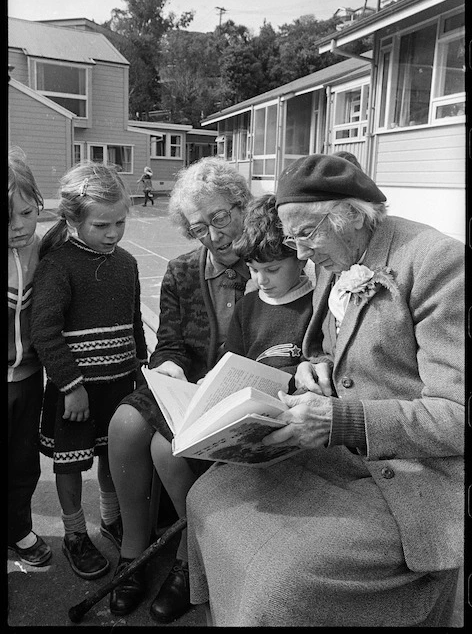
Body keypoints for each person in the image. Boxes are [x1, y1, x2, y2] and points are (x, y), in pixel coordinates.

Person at [185, 153, 464, 627]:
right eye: (291, 236)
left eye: (306, 234)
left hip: (414, 474)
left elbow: (458, 415)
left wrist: (341, 419)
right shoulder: (338, 256)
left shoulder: (440, 264)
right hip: (342, 455)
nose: (299, 252)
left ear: (352, 214)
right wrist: (318, 365)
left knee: (280, 577)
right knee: (209, 494)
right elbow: (341, 349)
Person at [107, 156, 252, 621]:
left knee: (165, 447)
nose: (212, 235)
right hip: (188, 382)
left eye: (220, 217)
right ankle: (133, 552)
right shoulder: (183, 270)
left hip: (241, 388)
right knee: (126, 422)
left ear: (241, 203)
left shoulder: (274, 262)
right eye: (198, 228)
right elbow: (169, 341)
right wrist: (168, 367)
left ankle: (190, 561)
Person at [30, 161, 148, 581]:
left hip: (119, 385)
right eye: (102, 225)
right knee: (69, 462)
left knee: (112, 456)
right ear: (73, 219)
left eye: (120, 222)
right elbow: (44, 330)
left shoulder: (127, 263)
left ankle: (111, 520)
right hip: (74, 392)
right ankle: (76, 534)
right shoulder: (58, 265)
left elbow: (134, 320)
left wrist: (141, 369)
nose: (113, 233)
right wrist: (71, 386)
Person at [8, 148, 52, 568]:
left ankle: (17, 527)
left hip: (28, 378)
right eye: (7, 219)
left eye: (26, 212)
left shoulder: (44, 248)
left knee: (23, 460)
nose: (18, 226)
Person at [224, 192, 315, 378]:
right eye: (253, 270)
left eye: (272, 270)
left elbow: (316, 363)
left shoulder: (316, 306)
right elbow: (230, 360)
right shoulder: (246, 306)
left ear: (301, 259)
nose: (261, 280)